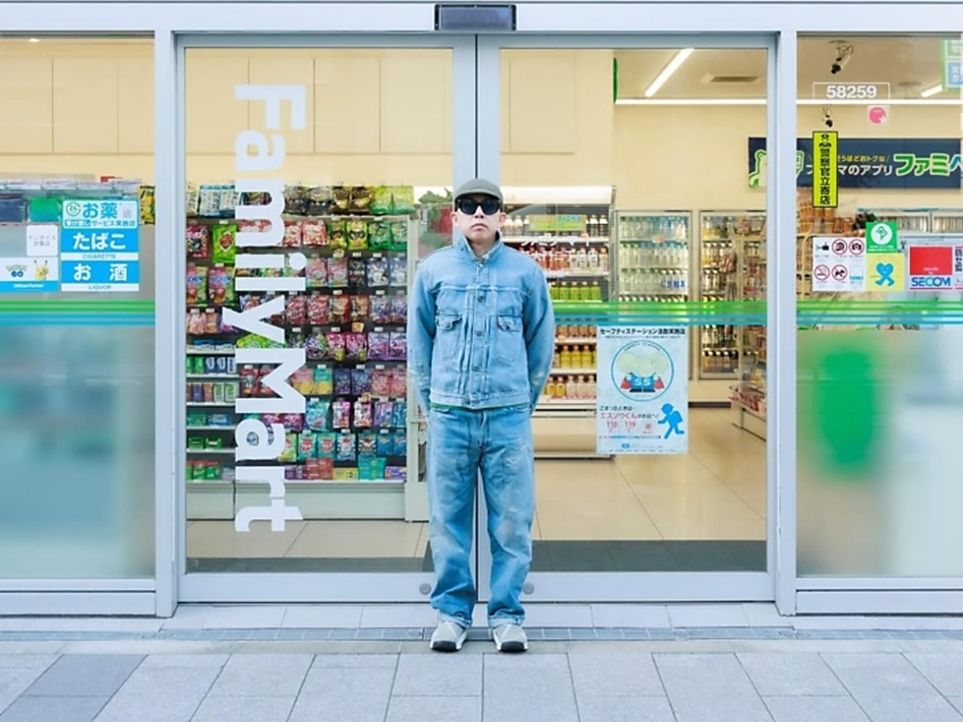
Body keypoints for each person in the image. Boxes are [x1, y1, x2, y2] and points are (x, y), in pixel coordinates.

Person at [408, 178, 555, 653]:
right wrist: (433, 404)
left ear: (501, 216)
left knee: (512, 523)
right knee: (447, 522)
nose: (478, 213)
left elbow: (541, 346)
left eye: (487, 206)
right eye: (468, 205)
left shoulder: (526, 273)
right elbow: (419, 345)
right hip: (450, 416)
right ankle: (452, 615)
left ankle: (507, 616)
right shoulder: (433, 271)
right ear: (454, 215)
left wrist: (520, 404)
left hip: (507, 418)